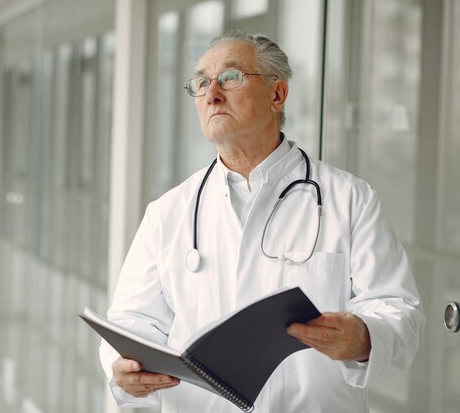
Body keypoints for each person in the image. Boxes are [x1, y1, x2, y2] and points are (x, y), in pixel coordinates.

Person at [99, 30, 424, 412]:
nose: (211, 93)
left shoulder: (350, 199)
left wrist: (365, 337)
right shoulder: (167, 212)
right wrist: (123, 369)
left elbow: (399, 311)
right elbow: (132, 322)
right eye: (202, 82)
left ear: (277, 95)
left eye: (230, 78)